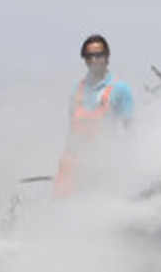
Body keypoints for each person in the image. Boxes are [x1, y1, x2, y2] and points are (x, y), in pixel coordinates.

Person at [55, 34, 134, 197]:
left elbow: (130, 132)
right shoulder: (77, 90)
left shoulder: (120, 89)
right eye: (89, 56)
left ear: (107, 57)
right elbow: (71, 130)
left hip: (104, 166)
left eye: (98, 55)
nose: (94, 60)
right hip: (75, 165)